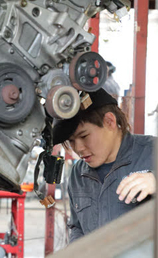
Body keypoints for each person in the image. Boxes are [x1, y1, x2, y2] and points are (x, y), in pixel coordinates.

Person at [52, 88, 156, 243]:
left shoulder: (152, 151)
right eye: (71, 141)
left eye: (84, 136)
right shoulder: (78, 173)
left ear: (109, 121)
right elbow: (77, 227)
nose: (78, 148)